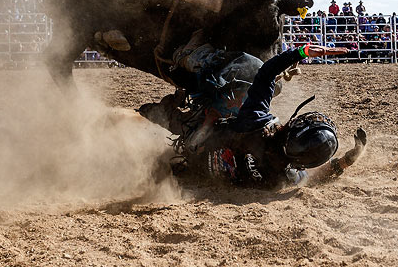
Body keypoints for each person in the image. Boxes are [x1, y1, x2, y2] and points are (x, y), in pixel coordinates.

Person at [139, 43, 366, 188]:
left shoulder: (256, 122)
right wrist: (348, 160)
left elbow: (266, 72)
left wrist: (302, 52)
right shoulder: (283, 177)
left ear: (293, 130)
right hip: (199, 173)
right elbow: (316, 177)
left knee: (182, 115)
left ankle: (182, 61)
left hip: (198, 141)